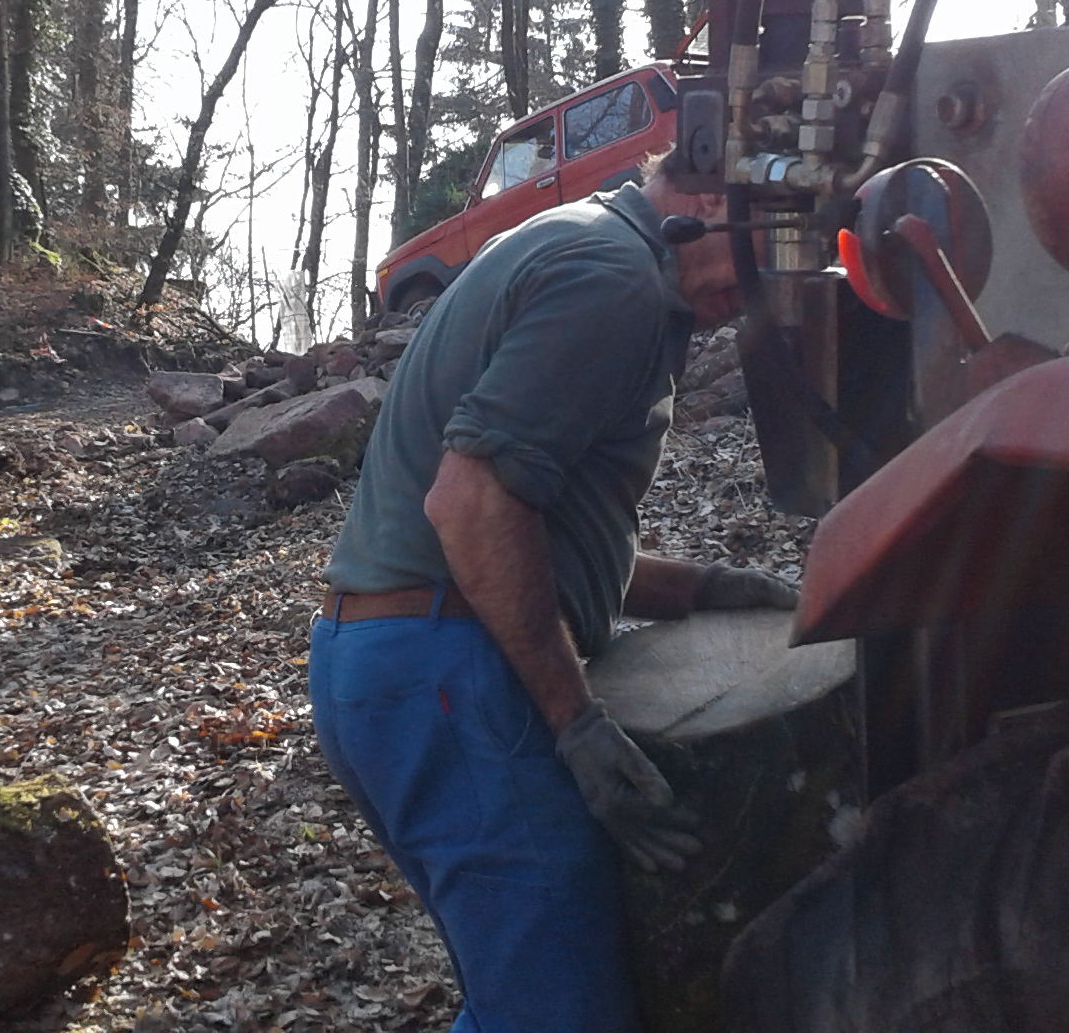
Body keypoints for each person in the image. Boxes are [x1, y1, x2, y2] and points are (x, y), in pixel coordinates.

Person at [310, 150, 799, 1032]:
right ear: (703, 193)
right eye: (766, 241)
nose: (763, 286)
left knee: (516, 997)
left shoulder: (578, 242)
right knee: (559, 1015)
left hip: (385, 664)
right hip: (449, 677)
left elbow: (531, 538)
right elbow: (471, 507)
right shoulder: (612, 278)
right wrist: (578, 726)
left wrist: (705, 587)